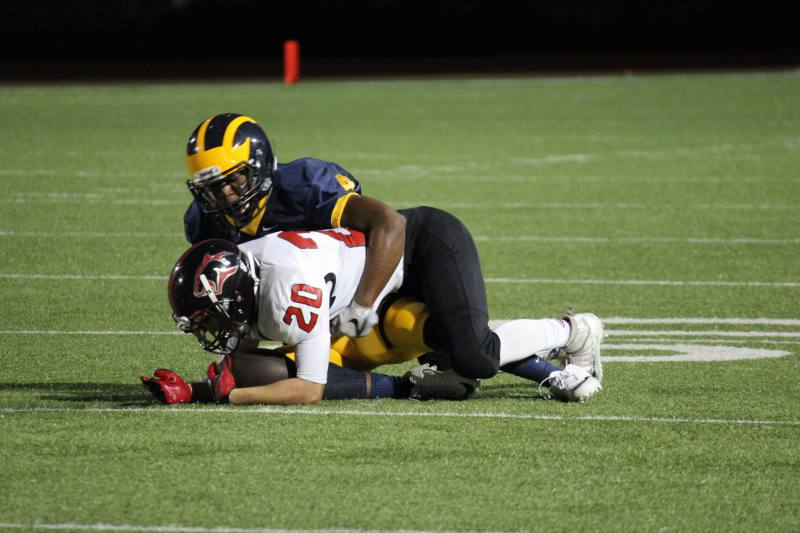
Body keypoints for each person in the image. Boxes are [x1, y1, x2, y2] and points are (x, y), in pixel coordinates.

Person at [152, 207, 603, 405]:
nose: (209, 327)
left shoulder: (288, 291)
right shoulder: (254, 273)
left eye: (209, 315)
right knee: (446, 343)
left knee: (473, 353)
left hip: (423, 246)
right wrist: (201, 390)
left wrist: (231, 395)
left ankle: (572, 330)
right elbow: (246, 366)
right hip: (371, 296)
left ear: (231, 291)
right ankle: (458, 373)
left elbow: (308, 391)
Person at [182, 112, 405, 338]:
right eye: (212, 187)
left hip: (356, 296)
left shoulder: (304, 184)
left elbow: (388, 222)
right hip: (307, 315)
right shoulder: (203, 222)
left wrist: (360, 307)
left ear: (260, 165)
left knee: (406, 323)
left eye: (234, 179)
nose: (226, 195)